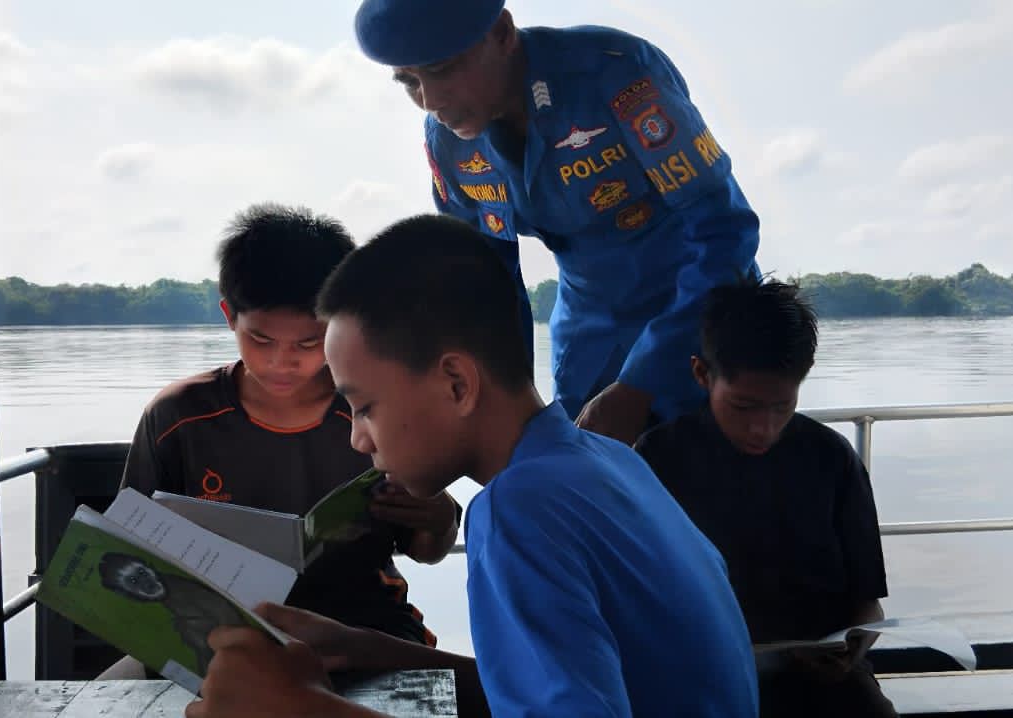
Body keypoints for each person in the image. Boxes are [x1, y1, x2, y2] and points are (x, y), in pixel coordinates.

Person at [184, 214, 759, 718]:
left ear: (456, 384)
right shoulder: (604, 461)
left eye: (364, 407)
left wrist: (305, 711)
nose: (358, 438)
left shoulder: (520, 510)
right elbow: (559, 686)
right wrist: (365, 647)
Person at [353, 0, 763, 445]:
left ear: (504, 33)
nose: (430, 102)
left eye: (443, 69)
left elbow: (724, 232)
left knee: (715, 487)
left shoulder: (617, 76)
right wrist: (504, 402)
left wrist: (645, 379)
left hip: (705, 316)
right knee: (577, 478)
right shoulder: (450, 143)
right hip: (589, 335)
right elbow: (482, 285)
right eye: (409, 81)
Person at [113, 204, 461, 673]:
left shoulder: (381, 409)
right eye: (260, 340)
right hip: (214, 634)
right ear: (228, 318)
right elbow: (127, 550)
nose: (282, 362)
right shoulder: (178, 417)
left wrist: (439, 520)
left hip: (367, 631)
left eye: (307, 343)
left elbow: (427, 551)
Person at [633, 277, 898, 717]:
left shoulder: (831, 459)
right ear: (702, 374)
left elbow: (867, 604)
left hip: (822, 680)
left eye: (782, 406)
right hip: (702, 679)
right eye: (744, 407)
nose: (763, 428)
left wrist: (852, 649)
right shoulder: (658, 460)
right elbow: (641, 606)